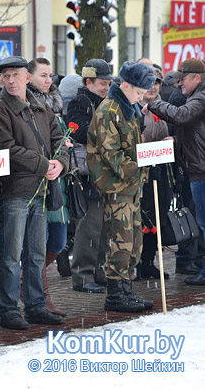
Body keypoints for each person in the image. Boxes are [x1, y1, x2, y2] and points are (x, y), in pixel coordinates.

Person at [0, 56, 69, 330]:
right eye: (5, 75)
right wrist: (45, 164)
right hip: (15, 191)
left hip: (41, 189)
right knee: (10, 255)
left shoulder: (41, 107)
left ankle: (36, 306)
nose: (10, 80)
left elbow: (59, 139)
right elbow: (7, 149)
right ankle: (9, 310)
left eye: (15, 75)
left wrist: (61, 163)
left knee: (36, 253)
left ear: (26, 77)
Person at [88, 61, 155, 313]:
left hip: (131, 185)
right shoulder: (110, 110)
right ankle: (115, 294)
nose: (140, 98)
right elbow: (111, 154)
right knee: (121, 239)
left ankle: (126, 287)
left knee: (134, 240)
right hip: (116, 185)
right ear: (125, 85)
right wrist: (138, 168)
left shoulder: (128, 108)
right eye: (138, 92)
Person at [145, 58, 205, 285]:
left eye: (183, 79)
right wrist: (179, 140)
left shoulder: (200, 97)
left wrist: (153, 104)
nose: (179, 84)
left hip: (201, 170)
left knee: (203, 223)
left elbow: (181, 116)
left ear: (196, 78)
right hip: (197, 168)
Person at [27, 58, 68, 317]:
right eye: (42, 75)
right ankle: (40, 293)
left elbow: (58, 138)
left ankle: (29, 281)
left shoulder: (55, 102)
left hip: (58, 177)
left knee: (59, 240)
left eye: (49, 75)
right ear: (28, 77)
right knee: (39, 243)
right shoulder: (28, 104)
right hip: (37, 179)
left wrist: (63, 152)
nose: (48, 80)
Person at [68, 59, 113, 294]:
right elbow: (80, 131)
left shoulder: (104, 102)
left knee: (103, 227)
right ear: (89, 82)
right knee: (89, 227)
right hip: (88, 173)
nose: (107, 88)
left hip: (103, 171)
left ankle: (97, 270)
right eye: (102, 83)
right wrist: (109, 133)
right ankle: (83, 275)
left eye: (108, 84)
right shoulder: (80, 102)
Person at [137, 74, 172, 280]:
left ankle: (150, 261)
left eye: (156, 83)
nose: (153, 87)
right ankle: (139, 263)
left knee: (159, 218)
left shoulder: (165, 107)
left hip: (163, 170)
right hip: (142, 172)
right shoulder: (134, 108)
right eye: (148, 83)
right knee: (144, 218)